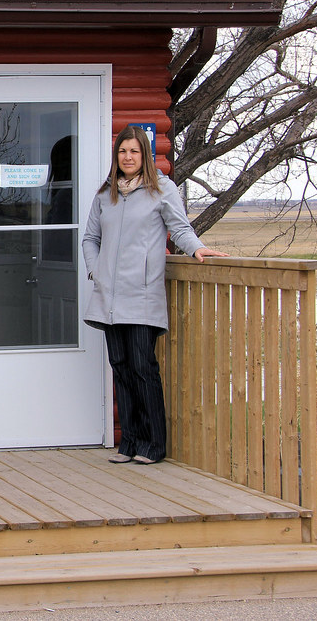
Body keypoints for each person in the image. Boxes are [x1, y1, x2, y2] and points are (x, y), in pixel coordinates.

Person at [81, 126, 227, 464]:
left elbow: (179, 228)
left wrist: (198, 249)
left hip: (142, 294)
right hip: (109, 297)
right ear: (116, 157)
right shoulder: (106, 195)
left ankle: (153, 445)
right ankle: (129, 442)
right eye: (122, 152)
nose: (128, 157)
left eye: (134, 151)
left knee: (143, 367)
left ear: (144, 155)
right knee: (120, 366)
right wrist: (96, 270)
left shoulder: (162, 190)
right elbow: (90, 238)